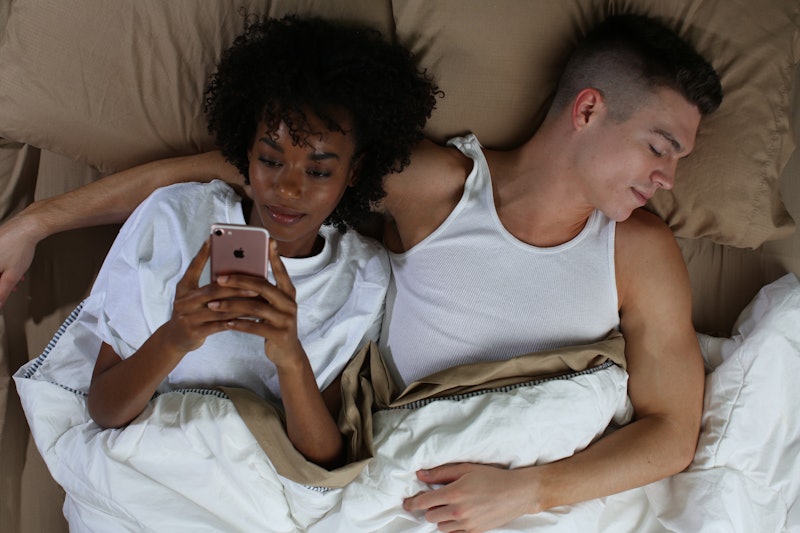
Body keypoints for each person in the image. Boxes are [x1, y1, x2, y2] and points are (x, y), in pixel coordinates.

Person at [3, 13, 721, 531]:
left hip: (519, 494)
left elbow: (670, 433)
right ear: (589, 109)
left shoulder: (640, 251)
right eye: (661, 148)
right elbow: (252, 170)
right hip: (384, 486)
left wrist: (524, 491)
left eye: (679, 161)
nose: (668, 178)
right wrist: (38, 221)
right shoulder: (438, 184)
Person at [22, 14, 439, 469]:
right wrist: (174, 338)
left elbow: (324, 461)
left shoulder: (363, 277)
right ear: (245, 150)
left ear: (354, 171)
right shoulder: (173, 220)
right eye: (269, 159)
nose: (287, 188)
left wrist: (290, 358)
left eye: (318, 171)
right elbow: (104, 410)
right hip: (148, 479)